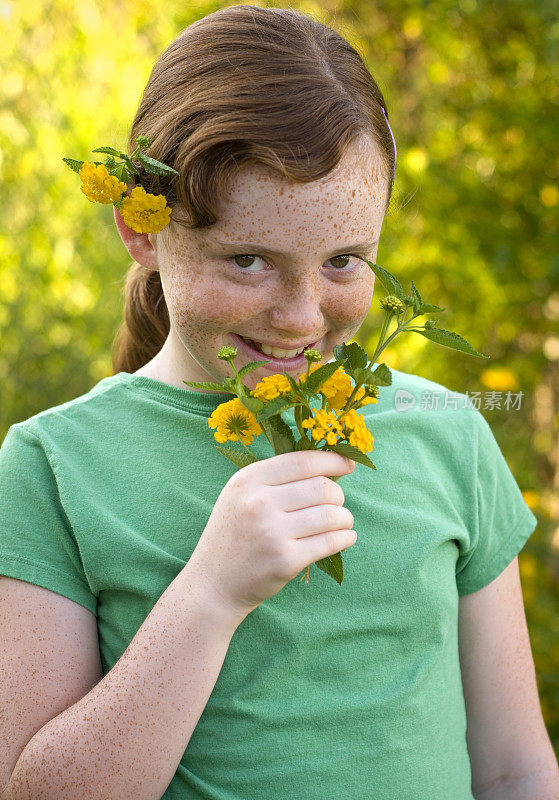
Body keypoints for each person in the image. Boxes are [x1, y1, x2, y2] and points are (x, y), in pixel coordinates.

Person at [1, 6, 557, 800]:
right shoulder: (52, 467)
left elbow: (515, 769)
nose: (300, 317)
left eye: (342, 261)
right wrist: (209, 594)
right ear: (141, 229)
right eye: (249, 259)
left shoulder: (449, 433)